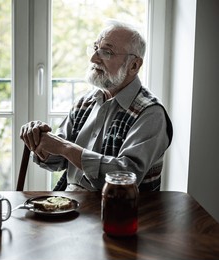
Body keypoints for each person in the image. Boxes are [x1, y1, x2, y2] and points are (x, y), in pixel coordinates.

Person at [20, 21, 173, 192]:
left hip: (120, 211)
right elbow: (58, 161)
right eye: (95, 48)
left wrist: (66, 148)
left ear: (134, 65)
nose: (93, 59)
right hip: (70, 203)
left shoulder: (150, 113)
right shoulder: (85, 102)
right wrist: (40, 140)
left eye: (106, 52)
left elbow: (126, 176)